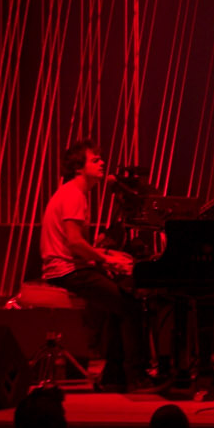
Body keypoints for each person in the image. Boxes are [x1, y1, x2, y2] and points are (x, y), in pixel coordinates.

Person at [40, 139, 157, 392]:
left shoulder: (73, 193)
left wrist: (107, 255)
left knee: (119, 302)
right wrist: (107, 260)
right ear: (78, 168)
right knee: (131, 306)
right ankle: (136, 376)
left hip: (71, 267)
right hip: (67, 271)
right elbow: (74, 243)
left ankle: (114, 376)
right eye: (95, 160)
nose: (102, 163)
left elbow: (76, 245)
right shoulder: (74, 195)